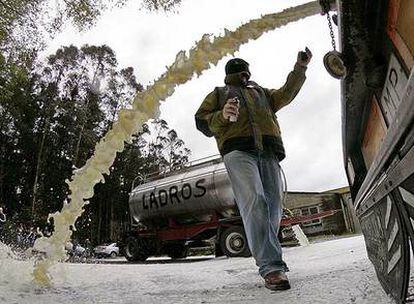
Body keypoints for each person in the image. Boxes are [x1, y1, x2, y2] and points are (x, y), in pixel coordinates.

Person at [195, 49, 312, 290]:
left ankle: (269, 258)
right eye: (239, 71)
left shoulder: (261, 93)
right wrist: (222, 114)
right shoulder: (219, 94)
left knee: (273, 206)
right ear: (230, 74)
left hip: (268, 150)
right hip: (238, 151)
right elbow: (202, 120)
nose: (244, 75)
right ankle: (272, 267)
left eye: (246, 70)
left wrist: (300, 68)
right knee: (254, 200)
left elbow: (286, 93)